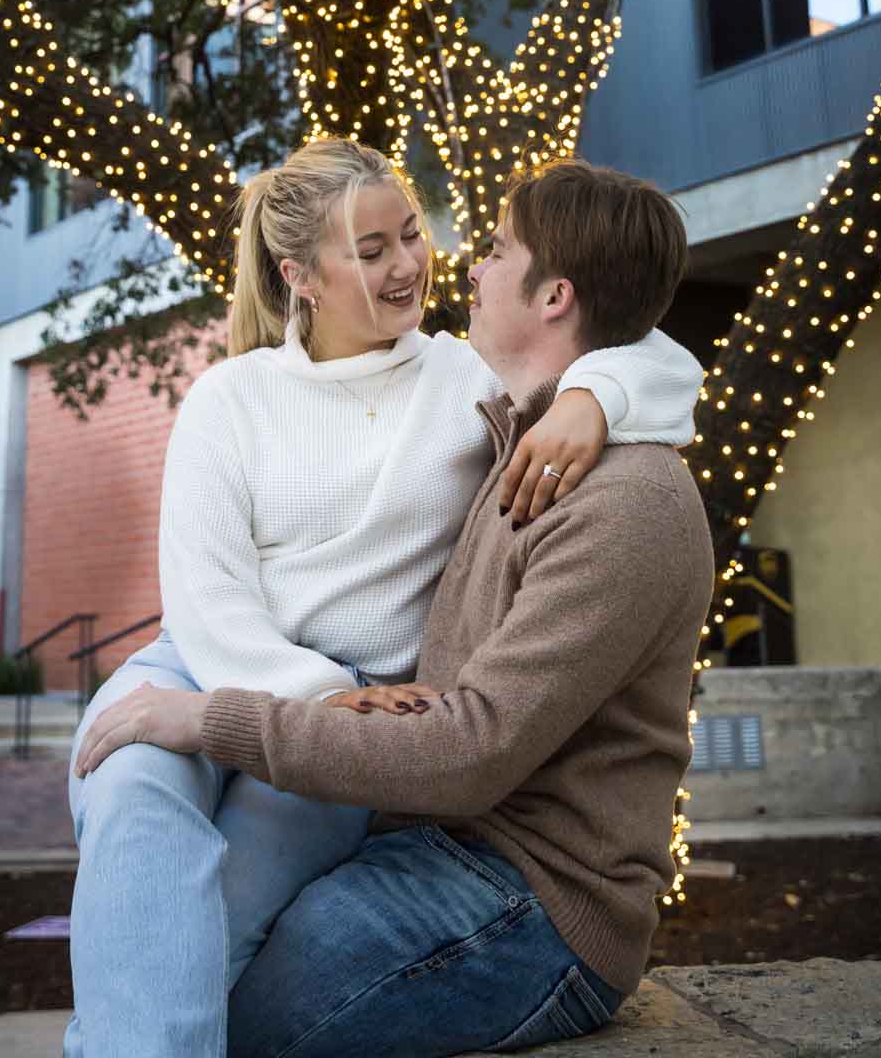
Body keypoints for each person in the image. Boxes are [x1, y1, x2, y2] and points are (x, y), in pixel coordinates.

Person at [66, 140, 704, 1058]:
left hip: (374, 715)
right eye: (372, 251)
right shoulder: (232, 395)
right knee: (126, 791)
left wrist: (595, 393)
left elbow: (642, 345)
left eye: (417, 236)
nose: (420, 263)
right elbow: (204, 595)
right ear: (301, 276)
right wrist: (258, 703)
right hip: (224, 671)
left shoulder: (479, 395)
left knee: (204, 979)